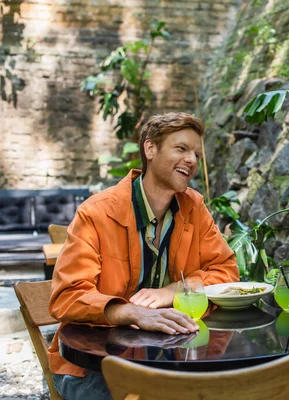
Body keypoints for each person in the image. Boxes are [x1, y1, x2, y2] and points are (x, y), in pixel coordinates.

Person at [48, 112, 239, 400]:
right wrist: (131, 312)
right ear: (150, 149)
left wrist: (172, 291)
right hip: (93, 368)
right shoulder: (96, 213)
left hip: (167, 364)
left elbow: (226, 271)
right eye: (181, 148)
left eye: (197, 154)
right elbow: (67, 296)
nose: (192, 160)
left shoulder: (194, 207)